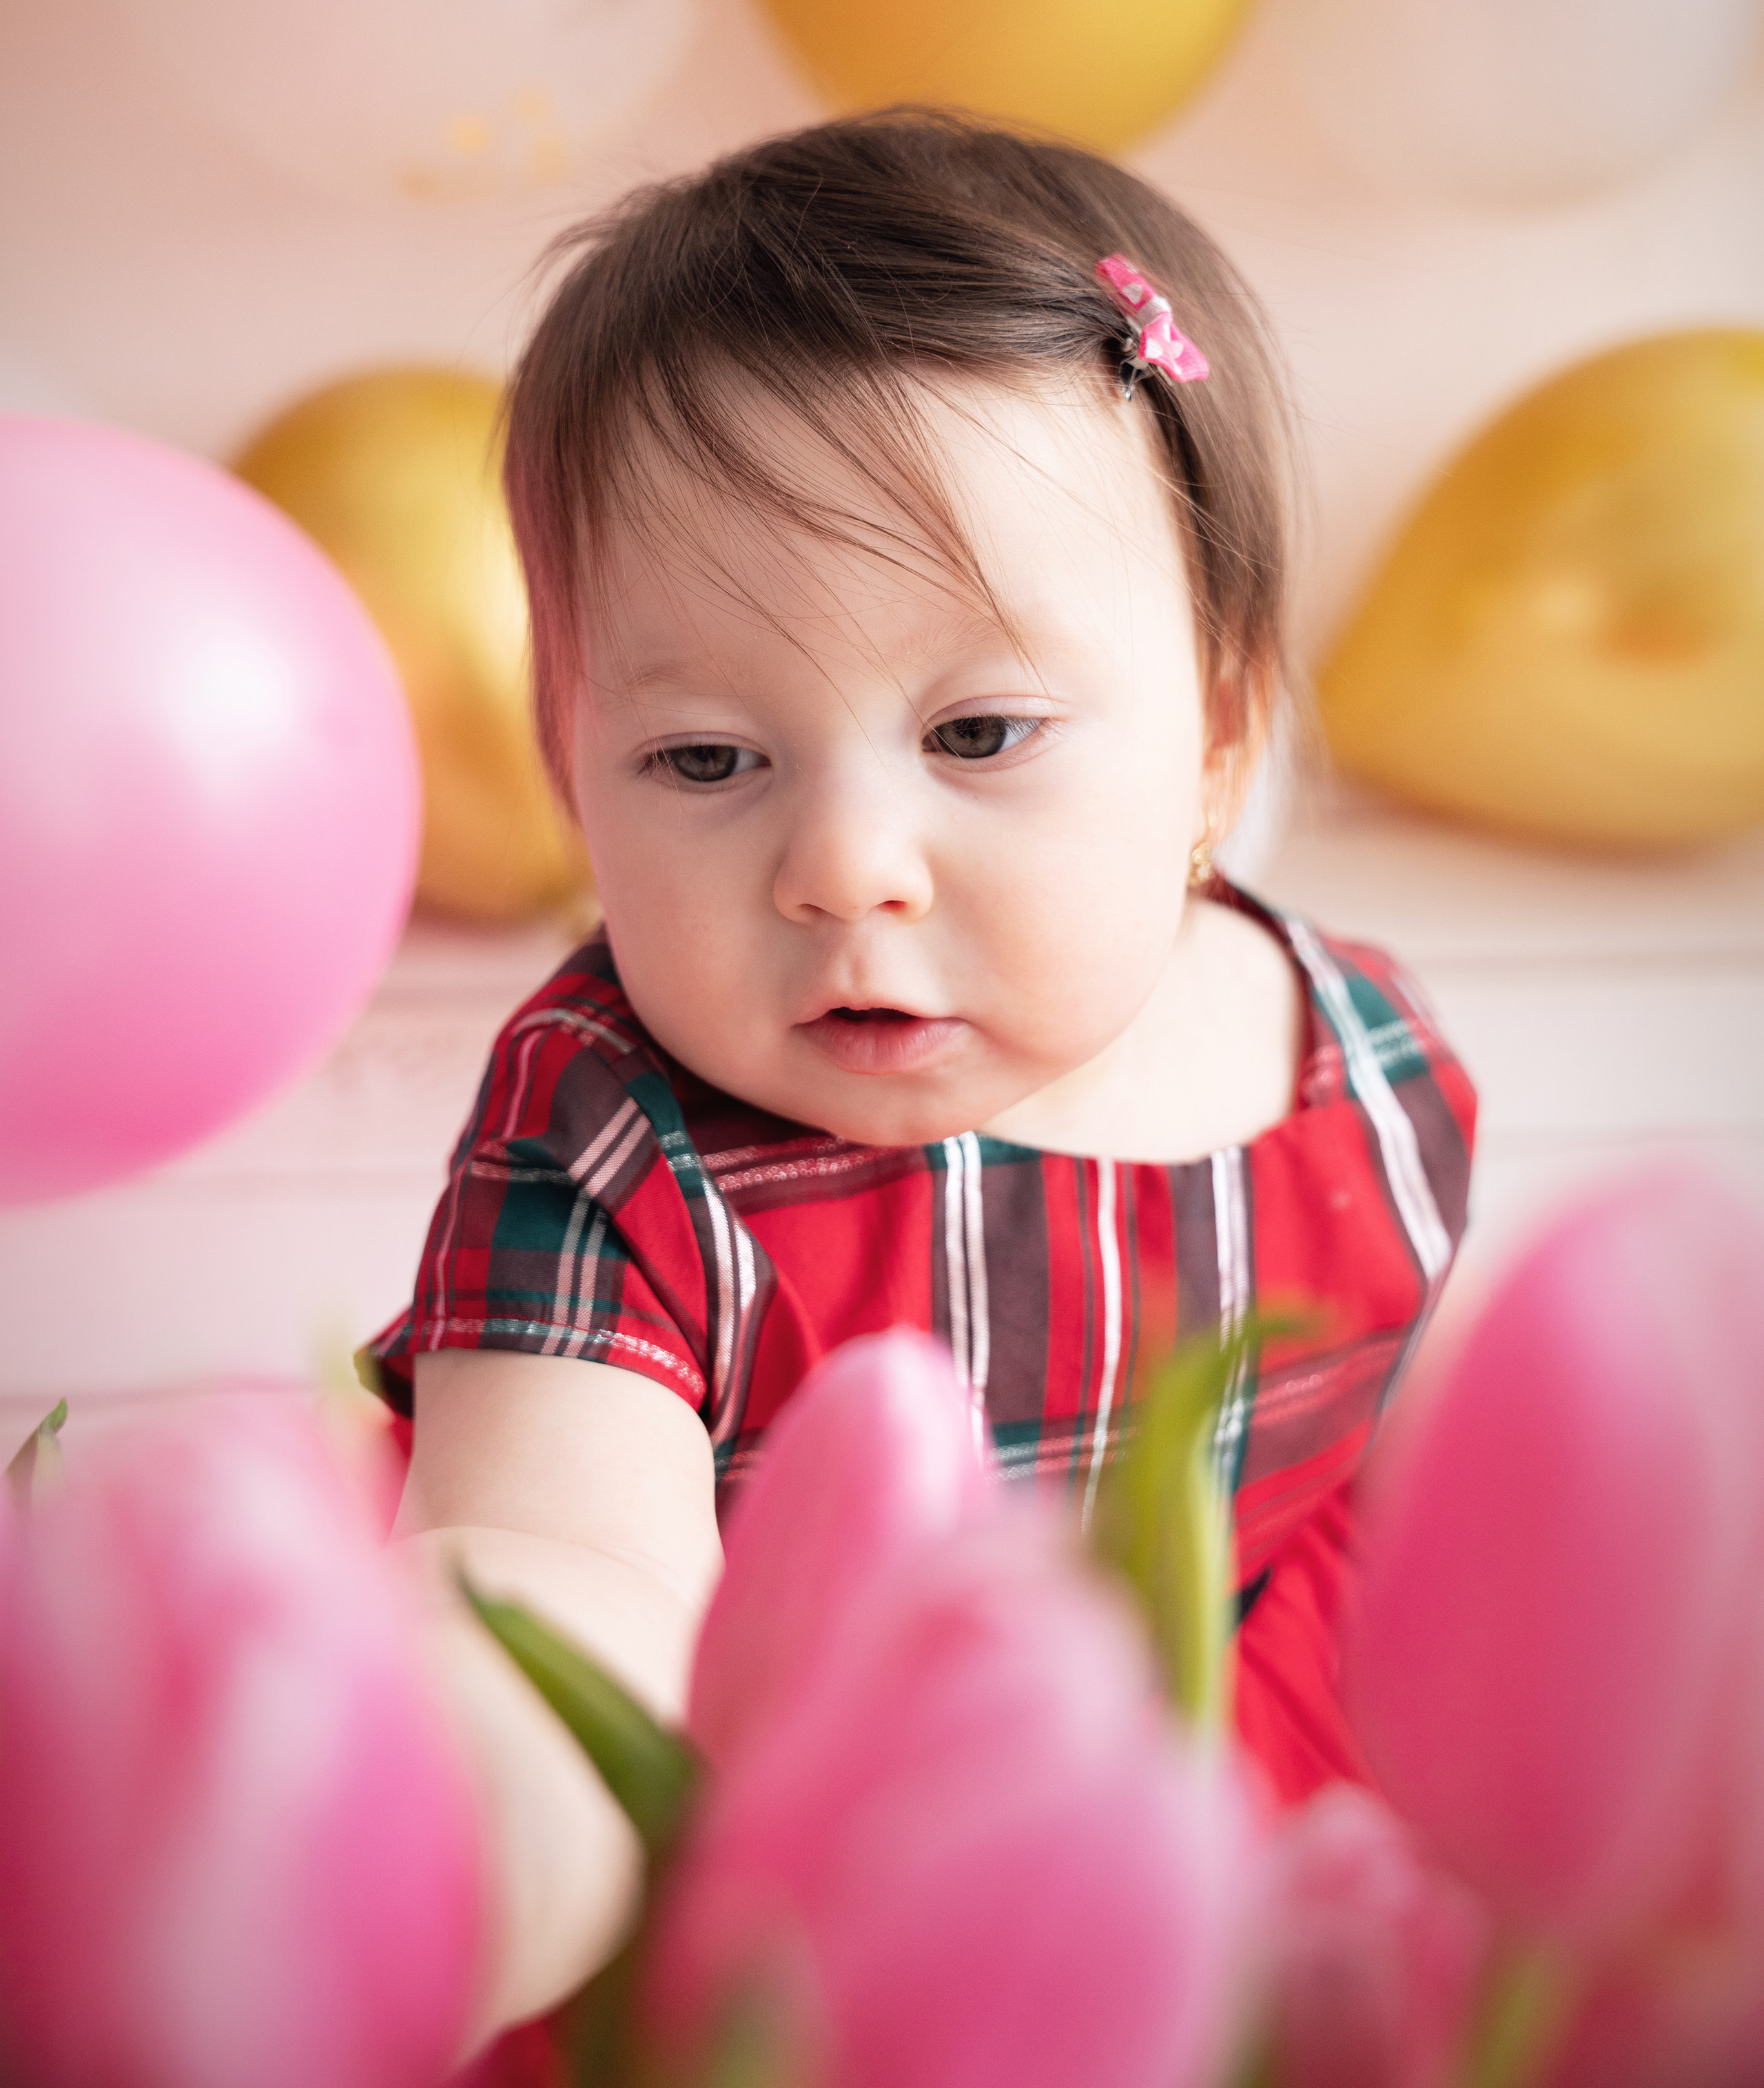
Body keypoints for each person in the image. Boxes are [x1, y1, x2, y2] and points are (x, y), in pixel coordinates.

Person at [359, 111, 1475, 2045]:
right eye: (705, 759)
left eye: (977, 730)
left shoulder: (1348, 1062)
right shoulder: (614, 1128)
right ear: (569, 761)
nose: (842, 862)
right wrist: (477, 1833)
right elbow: (565, 1564)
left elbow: (1445, 1457)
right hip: (765, 1869)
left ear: (1216, 731)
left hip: (1203, 1781)